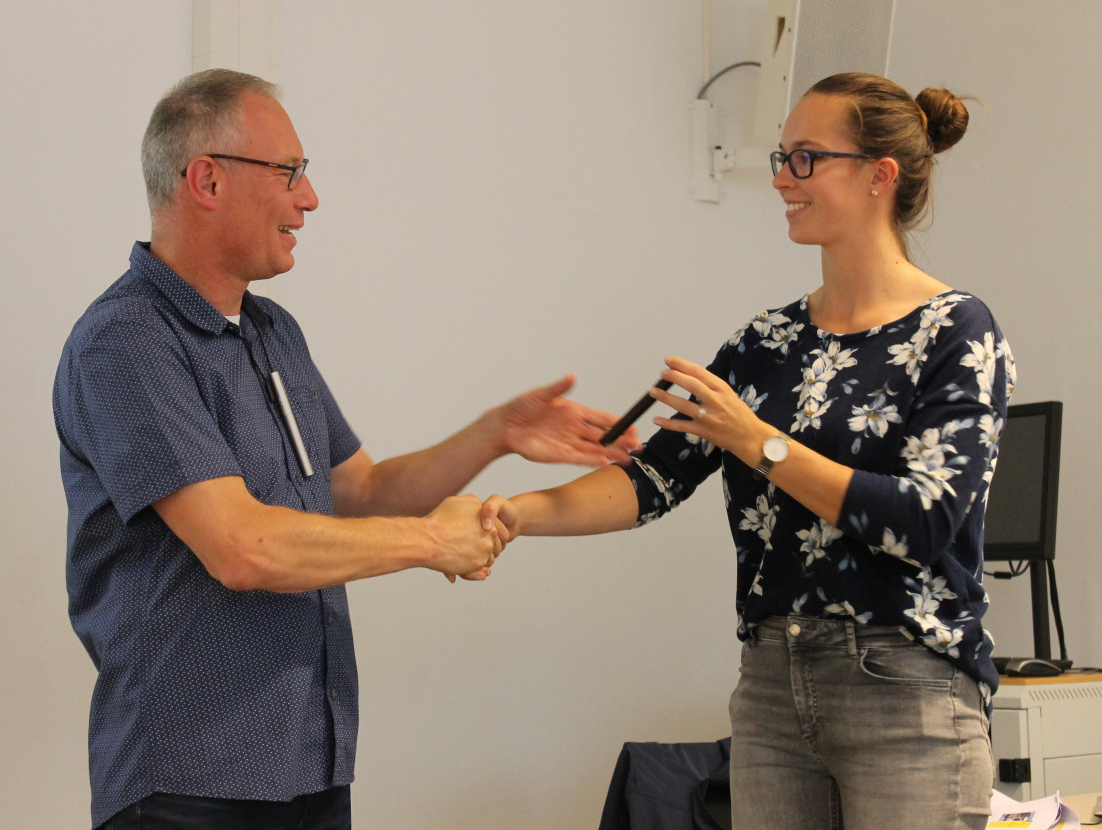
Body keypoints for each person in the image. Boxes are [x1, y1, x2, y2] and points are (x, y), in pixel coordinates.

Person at [52, 68, 638, 830]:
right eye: (288, 172)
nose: (309, 198)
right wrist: (434, 542)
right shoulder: (126, 343)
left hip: (307, 764)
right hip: (187, 781)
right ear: (206, 180)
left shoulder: (271, 333)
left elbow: (358, 489)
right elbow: (242, 547)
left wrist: (496, 434)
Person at [482, 73, 1014, 830]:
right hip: (770, 687)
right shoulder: (765, 342)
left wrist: (757, 442)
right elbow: (649, 483)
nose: (779, 178)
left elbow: (923, 521)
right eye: (780, 155)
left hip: (903, 689)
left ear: (878, 175)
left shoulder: (956, 330)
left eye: (804, 158)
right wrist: (503, 516)